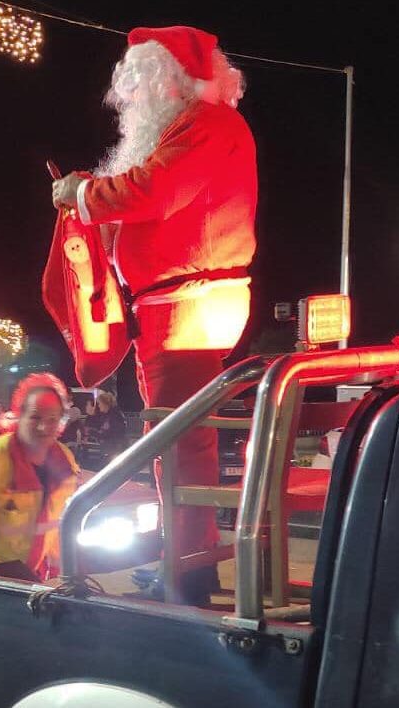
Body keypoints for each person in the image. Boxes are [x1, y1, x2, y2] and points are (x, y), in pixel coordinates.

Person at [49, 26, 257, 604]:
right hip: (177, 302)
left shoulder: (207, 124)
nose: (129, 94)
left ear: (168, 79)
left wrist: (85, 193)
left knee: (179, 443)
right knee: (174, 440)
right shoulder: (201, 125)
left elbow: (155, 190)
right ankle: (186, 564)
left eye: (137, 80)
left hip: (188, 303)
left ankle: (187, 574)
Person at [0, 374, 79, 581]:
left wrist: (63, 576)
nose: (43, 427)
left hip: (31, 575)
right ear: (19, 415)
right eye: (35, 417)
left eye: (52, 419)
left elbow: (59, 524)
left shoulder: (64, 460)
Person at [92, 391, 127, 457]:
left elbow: (113, 434)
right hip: (109, 449)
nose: (98, 406)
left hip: (114, 450)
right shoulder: (106, 416)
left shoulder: (115, 416)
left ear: (105, 404)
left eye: (99, 403)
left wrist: (95, 433)